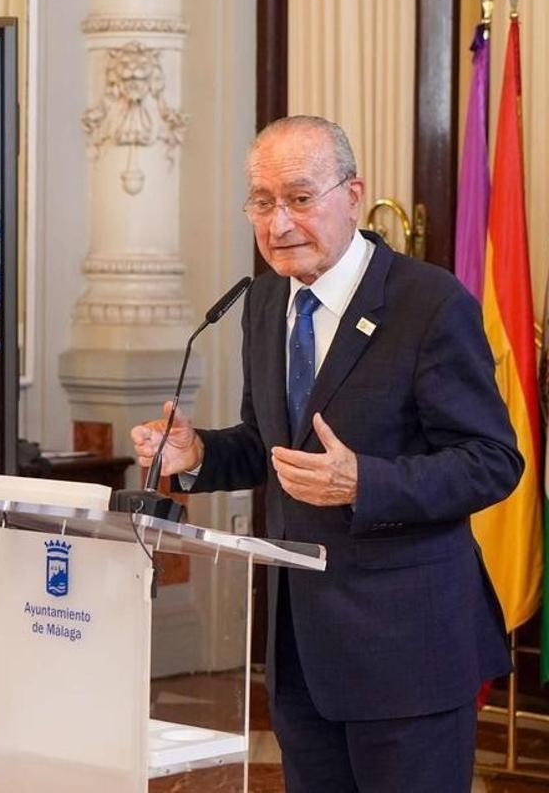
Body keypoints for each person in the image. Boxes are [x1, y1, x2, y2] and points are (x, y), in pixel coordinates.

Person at [130, 115, 521, 792]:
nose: (278, 223)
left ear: (353, 196)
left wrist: (364, 482)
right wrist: (196, 454)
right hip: (300, 651)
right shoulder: (263, 303)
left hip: (408, 654)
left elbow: (491, 459)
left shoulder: (428, 304)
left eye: (300, 199)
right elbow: (270, 446)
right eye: (261, 201)